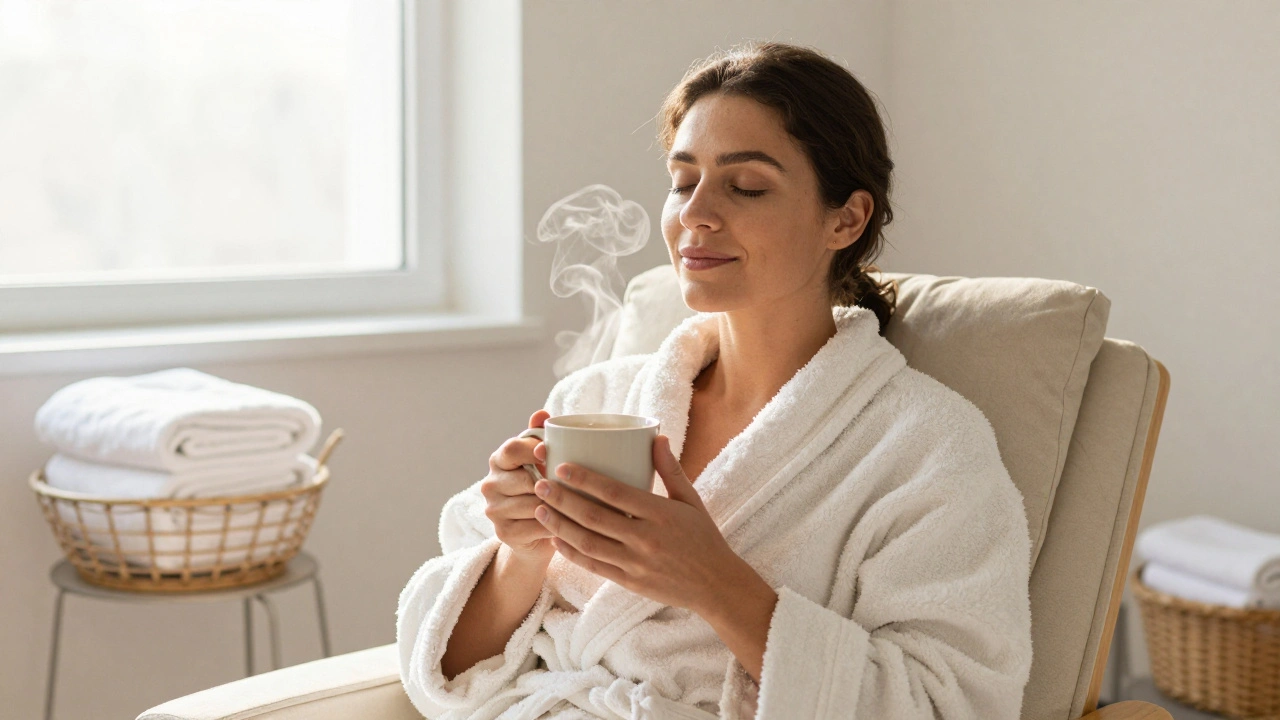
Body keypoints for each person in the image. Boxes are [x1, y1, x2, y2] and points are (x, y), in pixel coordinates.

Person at [398, 41, 1033, 719]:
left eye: (746, 186)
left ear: (846, 218)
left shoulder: (928, 448)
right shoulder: (597, 400)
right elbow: (453, 670)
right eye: (682, 180)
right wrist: (519, 553)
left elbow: (947, 704)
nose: (694, 214)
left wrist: (716, 583)